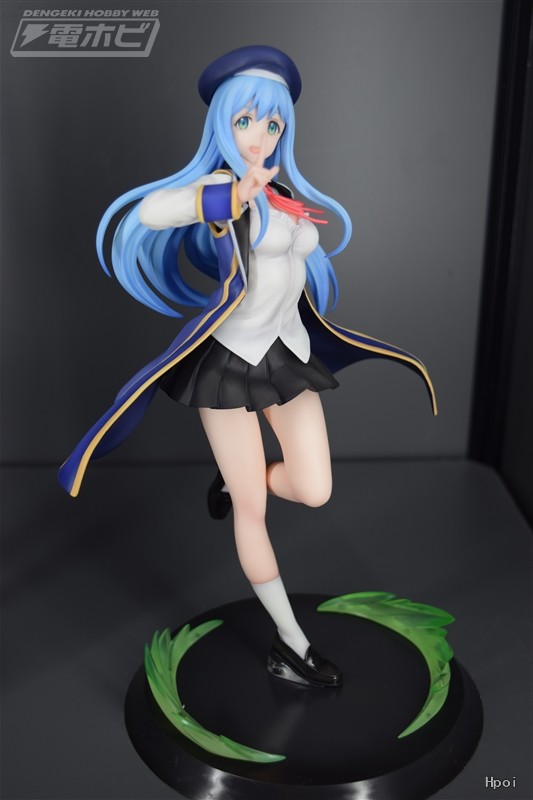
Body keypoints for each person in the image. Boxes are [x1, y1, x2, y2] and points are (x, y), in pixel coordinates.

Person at [58, 46, 436, 688]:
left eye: (273, 123)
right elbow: (151, 213)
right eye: (245, 121)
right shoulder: (221, 194)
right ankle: (291, 644)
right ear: (222, 124)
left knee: (315, 488)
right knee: (254, 512)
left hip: (287, 355)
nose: (260, 136)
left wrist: (265, 196)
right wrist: (232, 193)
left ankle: (236, 483)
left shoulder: (283, 193)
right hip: (227, 366)